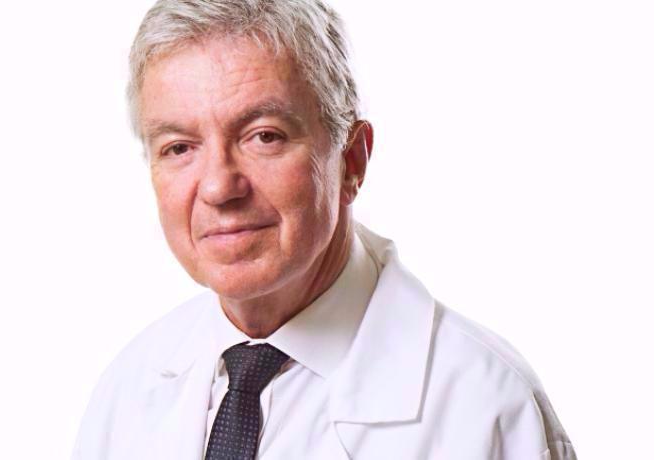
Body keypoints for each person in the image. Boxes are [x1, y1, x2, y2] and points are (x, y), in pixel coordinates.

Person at [73, 1, 577, 459]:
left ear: (351, 161)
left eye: (263, 137)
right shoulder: (128, 390)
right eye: (179, 147)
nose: (219, 187)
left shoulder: (486, 407)